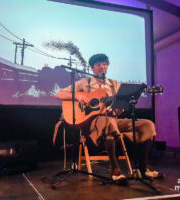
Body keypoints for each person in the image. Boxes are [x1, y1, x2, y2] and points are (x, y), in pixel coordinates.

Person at [55, 53, 163, 181]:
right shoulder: (84, 83)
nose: (102, 67)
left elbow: (117, 111)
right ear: (92, 68)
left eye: (105, 64)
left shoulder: (114, 85)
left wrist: (119, 108)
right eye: (98, 65)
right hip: (92, 124)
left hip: (111, 121)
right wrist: (77, 96)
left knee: (147, 125)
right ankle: (115, 170)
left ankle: (144, 167)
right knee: (108, 122)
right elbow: (59, 94)